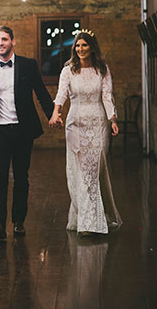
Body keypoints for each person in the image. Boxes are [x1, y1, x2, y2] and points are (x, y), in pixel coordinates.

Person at [0, 26, 54, 240]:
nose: (0, 43)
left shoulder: (27, 65)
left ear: (13, 41)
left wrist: (52, 114)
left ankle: (18, 222)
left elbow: (41, 91)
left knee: (21, 177)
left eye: (4, 39)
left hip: (22, 130)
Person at [49, 29, 122, 236]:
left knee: (94, 169)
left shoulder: (102, 70)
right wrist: (56, 113)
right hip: (75, 124)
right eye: (78, 46)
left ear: (92, 47)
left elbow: (107, 96)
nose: (80, 49)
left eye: (84, 45)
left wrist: (113, 119)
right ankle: (87, 220)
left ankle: (96, 216)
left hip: (98, 123)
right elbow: (61, 94)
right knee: (80, 170)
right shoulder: (68, 71)